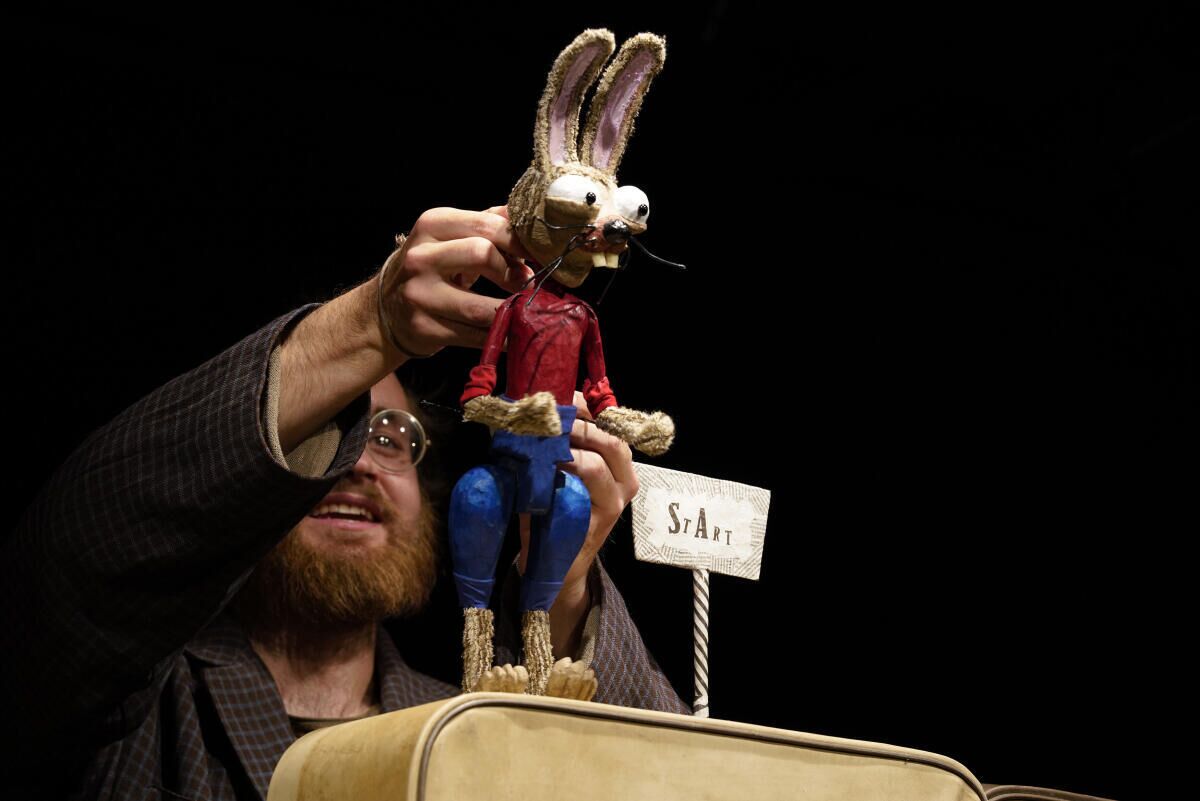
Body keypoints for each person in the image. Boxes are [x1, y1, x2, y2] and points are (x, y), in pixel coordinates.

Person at [3, 206, 687, 800]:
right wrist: (372, 324)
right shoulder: (137, 705)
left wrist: (561, 588)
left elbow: (674, 778)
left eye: (389, 436)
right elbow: (71, 555)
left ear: (427, 495)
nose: (358, 463)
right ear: (249, 478)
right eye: (328, 436)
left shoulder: (466, 725)